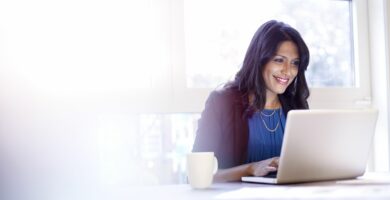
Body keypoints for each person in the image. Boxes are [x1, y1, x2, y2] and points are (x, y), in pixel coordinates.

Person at [192, 20, 310, 182]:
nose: (288, 71)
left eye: (295, 63)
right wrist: (250, 169)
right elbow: (197, 176)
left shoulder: (296, 106)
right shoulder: (222, 103)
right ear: (259, 59)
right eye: (279, 60)